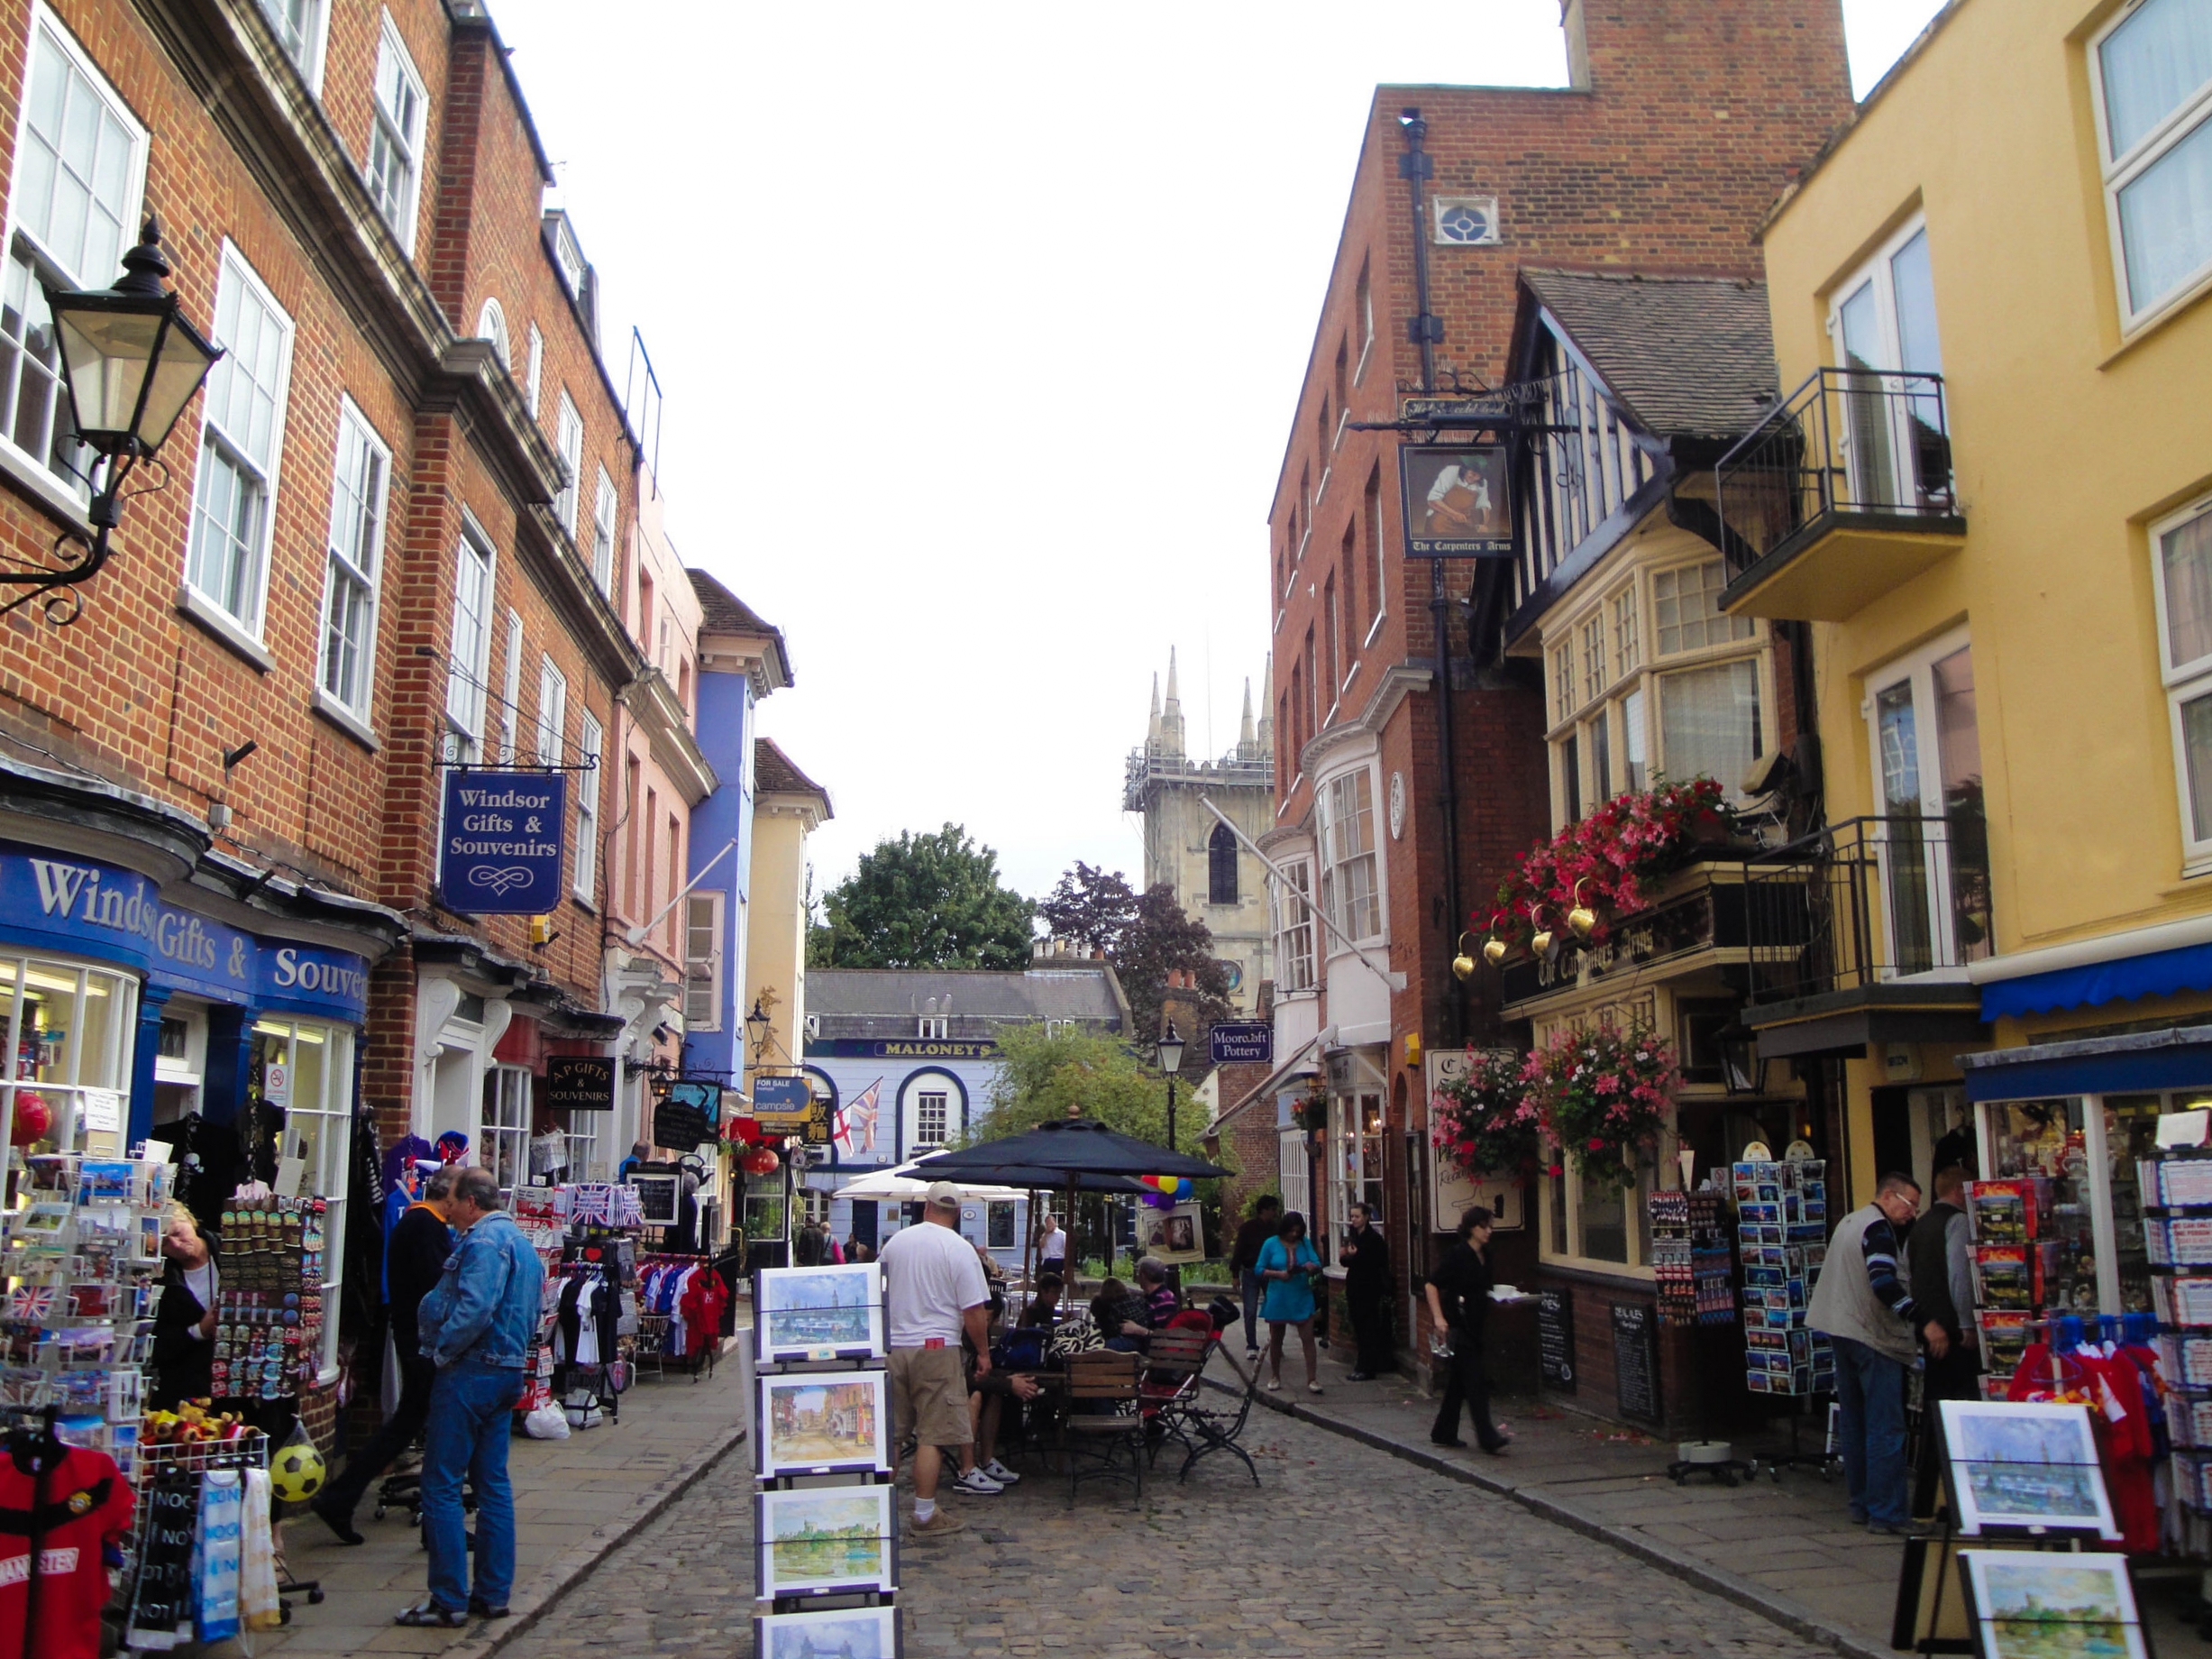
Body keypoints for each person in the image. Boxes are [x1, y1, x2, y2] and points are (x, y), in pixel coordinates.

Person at [396, 1168, 545, 1628]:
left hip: (471, 1371)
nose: (450, 1210)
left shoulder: (482, 1243)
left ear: (473, 1204)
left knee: (440, 1485)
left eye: (455, 1202)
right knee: (492, 1485)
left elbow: (475, 1308)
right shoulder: (524, 1245)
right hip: (506, 1372)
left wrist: (442, 1353)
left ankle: (448, 1599)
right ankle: (492, 1594)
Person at [312, 1165, 459, 1544]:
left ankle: (340, 1498)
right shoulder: (425, 1226)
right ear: (448, 1195)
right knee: (426, 1426)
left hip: (415, 1337)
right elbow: (436, 1288)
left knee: (406, 1424)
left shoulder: (420, 1222)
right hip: (422, 1341)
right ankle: (434, 1522)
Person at [1807, 1171, 1947, 1536]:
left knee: (1855, 1422)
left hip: (1842, 1329)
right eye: (1909, 1204)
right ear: (1888, 1196)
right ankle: (1887, 1513)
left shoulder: (1850, 1222)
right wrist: (1924, 1322)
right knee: (1885, 1426)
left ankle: (1862, 1503)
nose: (1913, 1213)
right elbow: (1883, 1281)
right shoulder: (1877, 1230)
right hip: (1872, 1335)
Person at [877, 1181, 993, 1537]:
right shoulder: (959, 1249)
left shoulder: (896, 1243)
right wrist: (984, 1353)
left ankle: (875, 1509)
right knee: (932, 1434)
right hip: (937, 1347)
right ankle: (924, 1514)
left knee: (892, 1435)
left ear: (926, 1206)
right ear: (956, 1213)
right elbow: (973, 1311)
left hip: (894, 1347)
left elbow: (875, 1292)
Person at [1426, 1205, 1508, 1453]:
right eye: (1484, 1227)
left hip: (1477, 1324)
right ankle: (1488, 1437)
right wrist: (1439, 1318)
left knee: (1458, 1384)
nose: (1489, 1231)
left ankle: (1444, 1431)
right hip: (1459, 1325)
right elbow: (1432, 1284)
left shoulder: (1487, 1255)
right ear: (1471, 1228)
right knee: (1476, 1382)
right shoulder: (1457, 1255)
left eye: (1490, 1226)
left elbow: (1483, 1289)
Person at [150, 1205, 218, 1410]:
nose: (176, 1245)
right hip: (189, 1389)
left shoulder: (233, 1249)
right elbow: (156, 1344)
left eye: (178, 1233)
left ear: (191, 1221)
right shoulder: (160, 1278)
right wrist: (197, 1331)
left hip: (242, 1382)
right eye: (165, 1242)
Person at [1256, 1212, 1324, 1395]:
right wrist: (1278, 1274)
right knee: (1277, 1339)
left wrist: (1311, 1268)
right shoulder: (1270, 1244)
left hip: (1301, 1294)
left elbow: (1316, 1262)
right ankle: (1275, 1376)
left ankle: (1312, 1379)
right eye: (1291, 1231)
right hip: (1279, 1295)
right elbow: (1259, 1269)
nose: (1294, 1235)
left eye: (1297, 1231)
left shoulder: (1304, 1243)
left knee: (1308, 1338)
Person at [1339, 1203, 1393, 1380]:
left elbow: (1377, 1263)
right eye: (1352, 1216)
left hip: (1369, 1288)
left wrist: (1356, 1256)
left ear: (1366, 1217)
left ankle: (1367, 1368)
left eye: (1357, 1216)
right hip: (1354, 1287)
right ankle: (1360, 1365)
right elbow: (1346, 1262)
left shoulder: (1374, 1239)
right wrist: (1346, 1256)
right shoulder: (1353, 1236)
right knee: (1359, 1328)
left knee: (1368, 1328)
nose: (1353, 1220)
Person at [1229, 1195, 1282, 1361]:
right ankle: (1251, 1345)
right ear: (1263, 1210)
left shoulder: (1275, 1228)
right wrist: (1235, 1274)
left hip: (1270, 1271)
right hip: (1251, 1270)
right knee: (1250, 1310)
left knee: (1274, 1309)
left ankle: (1275, 1344)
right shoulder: (1248, 1228)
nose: (1274, 1213)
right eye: (1272, 1209)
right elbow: (1239, 1251)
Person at [1036, 1213, 1067, 1277]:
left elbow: (1066, 1248)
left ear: (1055, 1223)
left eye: (1050, 1223)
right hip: (1047, 1261)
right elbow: (1041, 1245)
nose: (1049, 1225)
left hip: (1058, 1260)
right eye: (1047, 1223)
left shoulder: (1062, 1234)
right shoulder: (1045, 1235)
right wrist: (1046, 1234)